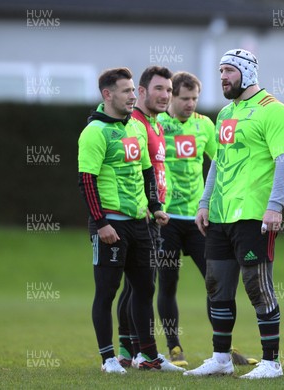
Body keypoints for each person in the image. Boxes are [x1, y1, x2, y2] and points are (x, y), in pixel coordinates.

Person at [185, 49, 284, 379]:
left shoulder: (273, 110)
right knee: (216, 285)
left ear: (247, 73)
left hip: (254, 214)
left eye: (229, 71)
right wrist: (205, 203)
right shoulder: (224, 114)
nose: (222, 77)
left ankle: (271, 363)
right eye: (220, 71)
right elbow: (218, 164)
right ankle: (221, 358)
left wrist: (275, 206)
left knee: (256, 286)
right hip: (221, 215)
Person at [78, 67, 183, 373]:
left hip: (140, 224)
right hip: (110, 223)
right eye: (126, 91)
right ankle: (109, 359)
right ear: (107, 95)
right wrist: (101, 223)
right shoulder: (94, 132)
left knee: (144, 289)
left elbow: (147, 170)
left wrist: (155, 205)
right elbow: (86, 181)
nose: (132, 96)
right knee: (107, 292)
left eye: (132, 90)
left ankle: (148, 357)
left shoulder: (134, 128)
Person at [155, 71, 216, 367]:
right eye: (185, 98)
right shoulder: (156, 125)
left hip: (196, 219)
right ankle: (174, 347)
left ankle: (223, 346)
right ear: (171, 97)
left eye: (195, 98)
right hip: (166, 220)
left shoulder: (205, 125)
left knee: (214, 281)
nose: (191, 103)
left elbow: (220, 164)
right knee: (168, 283)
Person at [116, 66, 173, 367]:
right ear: (141, 91)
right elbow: (136, 173)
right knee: (140, 287)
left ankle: (130, 351)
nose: (166, 95)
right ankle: (140, 352)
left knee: (137, 287)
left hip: (154, 216)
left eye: (168, 90)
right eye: (159, 89)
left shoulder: (156, 124)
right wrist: (149, 208)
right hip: (142, 218)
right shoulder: (134, 124)